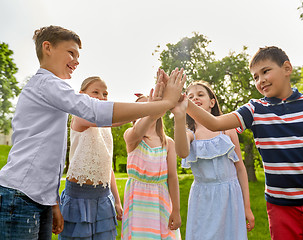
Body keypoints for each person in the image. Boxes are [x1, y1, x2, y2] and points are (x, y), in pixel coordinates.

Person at [0, 25, 186, 239]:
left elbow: (51, 159)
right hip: (20, 197)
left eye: (78, 56)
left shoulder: (53, 90)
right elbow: (97, 112)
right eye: (71, 52)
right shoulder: (47, 84)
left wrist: (52, 203)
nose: (76, 61)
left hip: (38, 199)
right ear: (47, 47)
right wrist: (164, 103)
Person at [186, 46, 303, 240]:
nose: (260, 80)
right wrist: (181, 101)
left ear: (287, 68)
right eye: (255, 77)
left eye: (265, 71)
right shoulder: (255, 109)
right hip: (280, 207)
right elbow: (214, 123)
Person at [172, 80, 254, 240]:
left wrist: (247, 206)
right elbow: (182, 152)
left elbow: (240, 169)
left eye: (200, 94)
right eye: (190, 96)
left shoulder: (227, 129)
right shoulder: (190, 133)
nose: (195, 98)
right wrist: (179, 116)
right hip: (202, 199)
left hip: (230, 196)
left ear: (212, 102)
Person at [58, 76, 123, 240]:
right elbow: (112, 118)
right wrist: (148, 108)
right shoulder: (80, 117)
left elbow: (108, 166)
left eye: (105, 94)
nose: (101, 97)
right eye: (96, 92)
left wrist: (117, 200)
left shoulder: (105, 129)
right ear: (81, 94)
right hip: (79, 198)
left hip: (103, 198)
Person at [121, 71, 182, 239]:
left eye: (150, 105)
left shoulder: (168, 143)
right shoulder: (131, 136)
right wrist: (152, 109)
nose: (147, 109)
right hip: (138, 203)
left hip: (161, 201)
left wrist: (176, 210)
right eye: (141, 108)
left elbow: (172, 177)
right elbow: (139, 128)